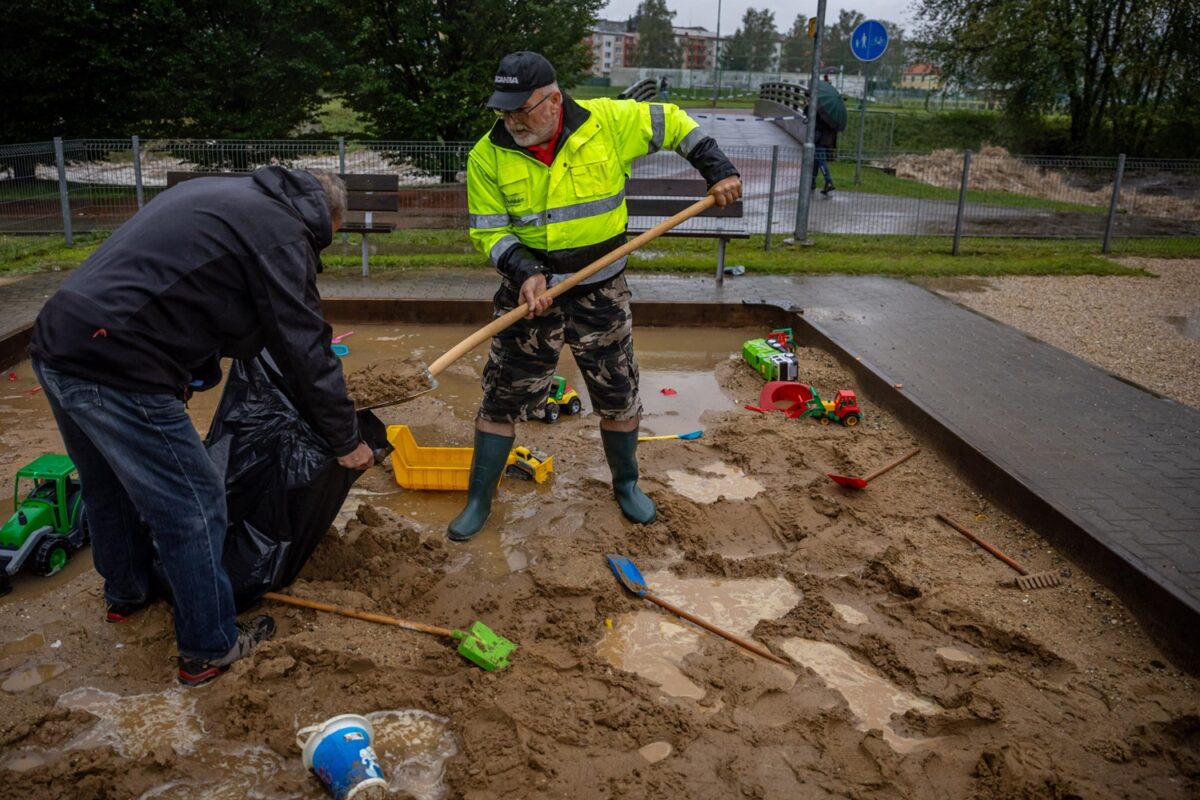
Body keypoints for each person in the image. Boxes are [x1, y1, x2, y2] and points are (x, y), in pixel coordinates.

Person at [28, 166, 374, 686]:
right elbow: (303, 341)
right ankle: (209, 647)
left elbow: (197, 294)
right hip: (120, 362)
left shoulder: (224, 195)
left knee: (108, 487)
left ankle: (127, 594)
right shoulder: (282, 230)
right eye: (327, 238)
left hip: (59, 341)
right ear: (327, 217)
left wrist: (193, 371)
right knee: (194, 502)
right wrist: (346, 439)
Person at [451, 51, 742, 541]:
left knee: (618, 392)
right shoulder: (487, 155)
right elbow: (490, 231)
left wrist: (717, 168)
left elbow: (672, 121)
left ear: (553, 100)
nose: (511, 120)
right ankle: (479, 498)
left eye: (521, 110)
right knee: (502, 397)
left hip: (601, 289)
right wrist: (524, 270)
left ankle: (627, 485)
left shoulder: (608, 122)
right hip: (530, 294)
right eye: (504, 110)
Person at [806, 88, 837, 195]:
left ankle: (829, 182)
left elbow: (809, 116)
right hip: (827, 138)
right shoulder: (832, 110)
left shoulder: (820, 108)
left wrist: (808, 105)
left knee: (821, 160)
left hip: (820, 139)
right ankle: (812, 182)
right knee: (816, 160)